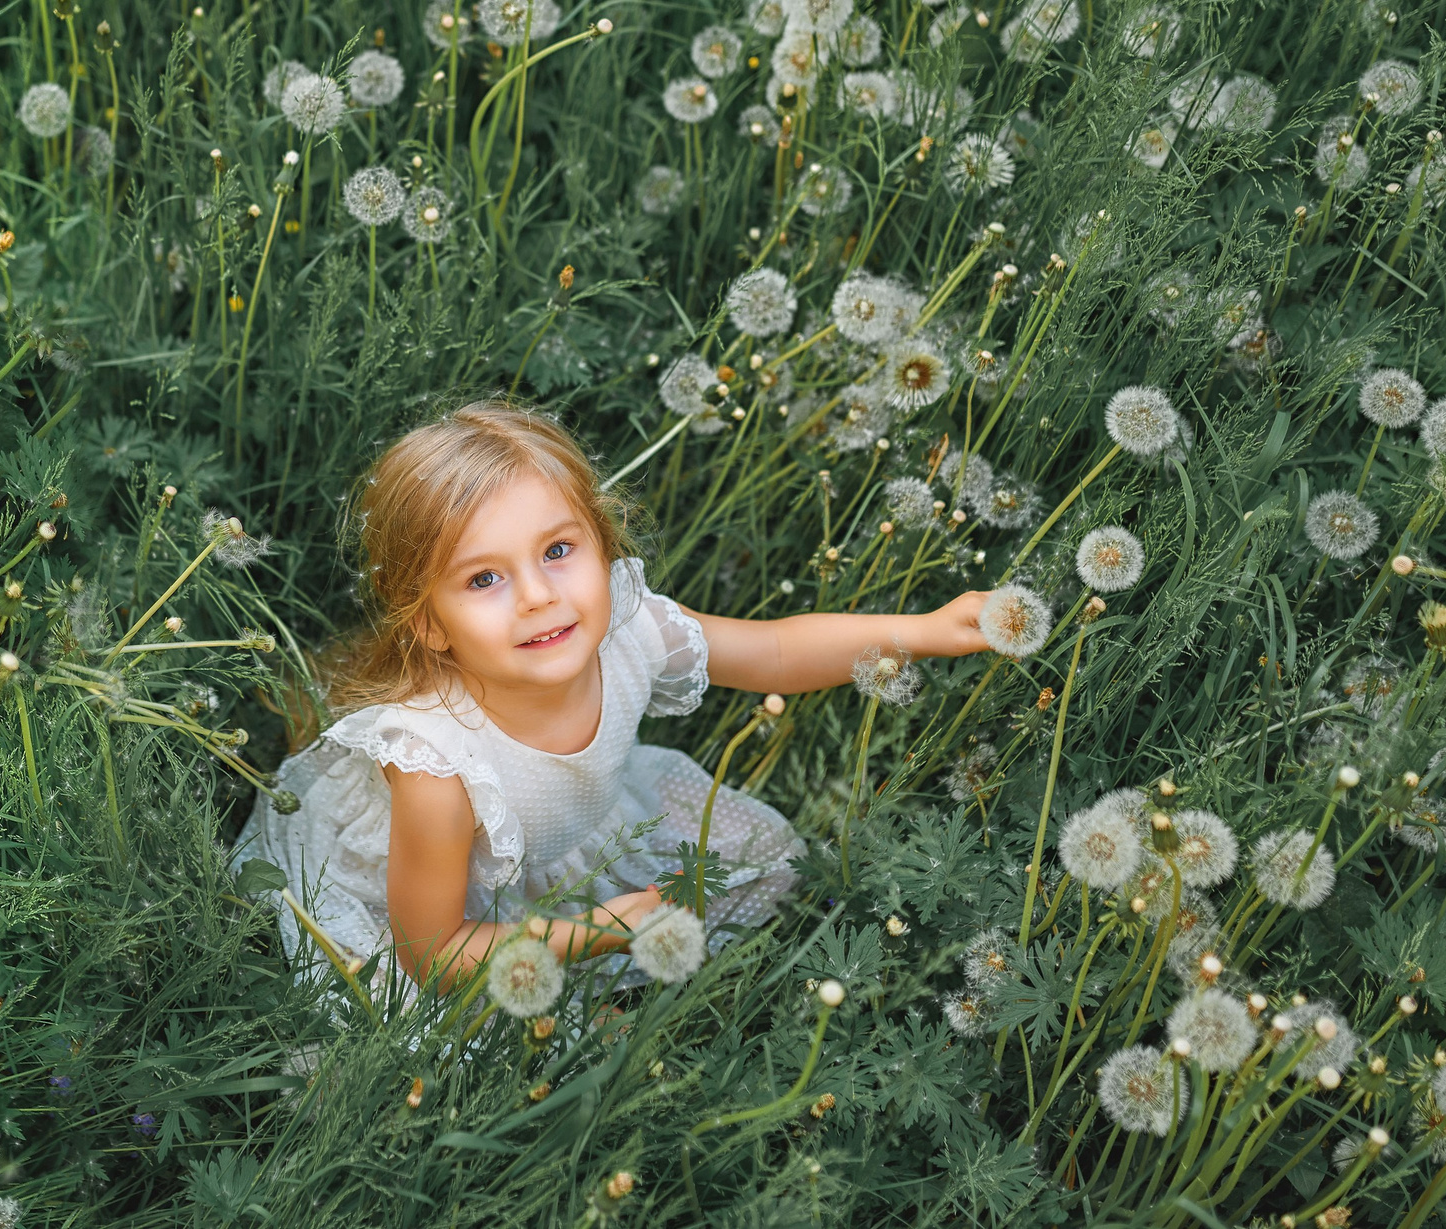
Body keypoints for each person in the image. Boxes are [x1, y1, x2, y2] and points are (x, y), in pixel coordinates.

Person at [236, 400, 992, 996]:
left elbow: (776, 651)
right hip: (428, 909)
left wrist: (924, 628)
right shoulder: (437, 767)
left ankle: (599, 965)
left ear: (604, 544)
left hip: (587, 830)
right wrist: (592, 930)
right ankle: (586, 988)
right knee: (455, 1051)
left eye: (558, 551)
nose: (538, 596)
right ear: (431, 624)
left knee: (770, 863)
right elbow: (430, 953)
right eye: (484, 578)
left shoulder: (630, 629)